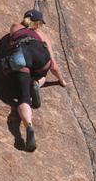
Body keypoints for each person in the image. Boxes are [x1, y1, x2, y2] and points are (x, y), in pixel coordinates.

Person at [9, 9, 66, 152]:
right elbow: (54, 66)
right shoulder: (43, 35)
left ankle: (28, 125)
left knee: (24, 98)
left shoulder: (15, 26)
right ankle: (38, 82)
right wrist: (62, 81)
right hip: (40, 57)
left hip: (22, 57)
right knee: (43, 72)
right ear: (39, 23)